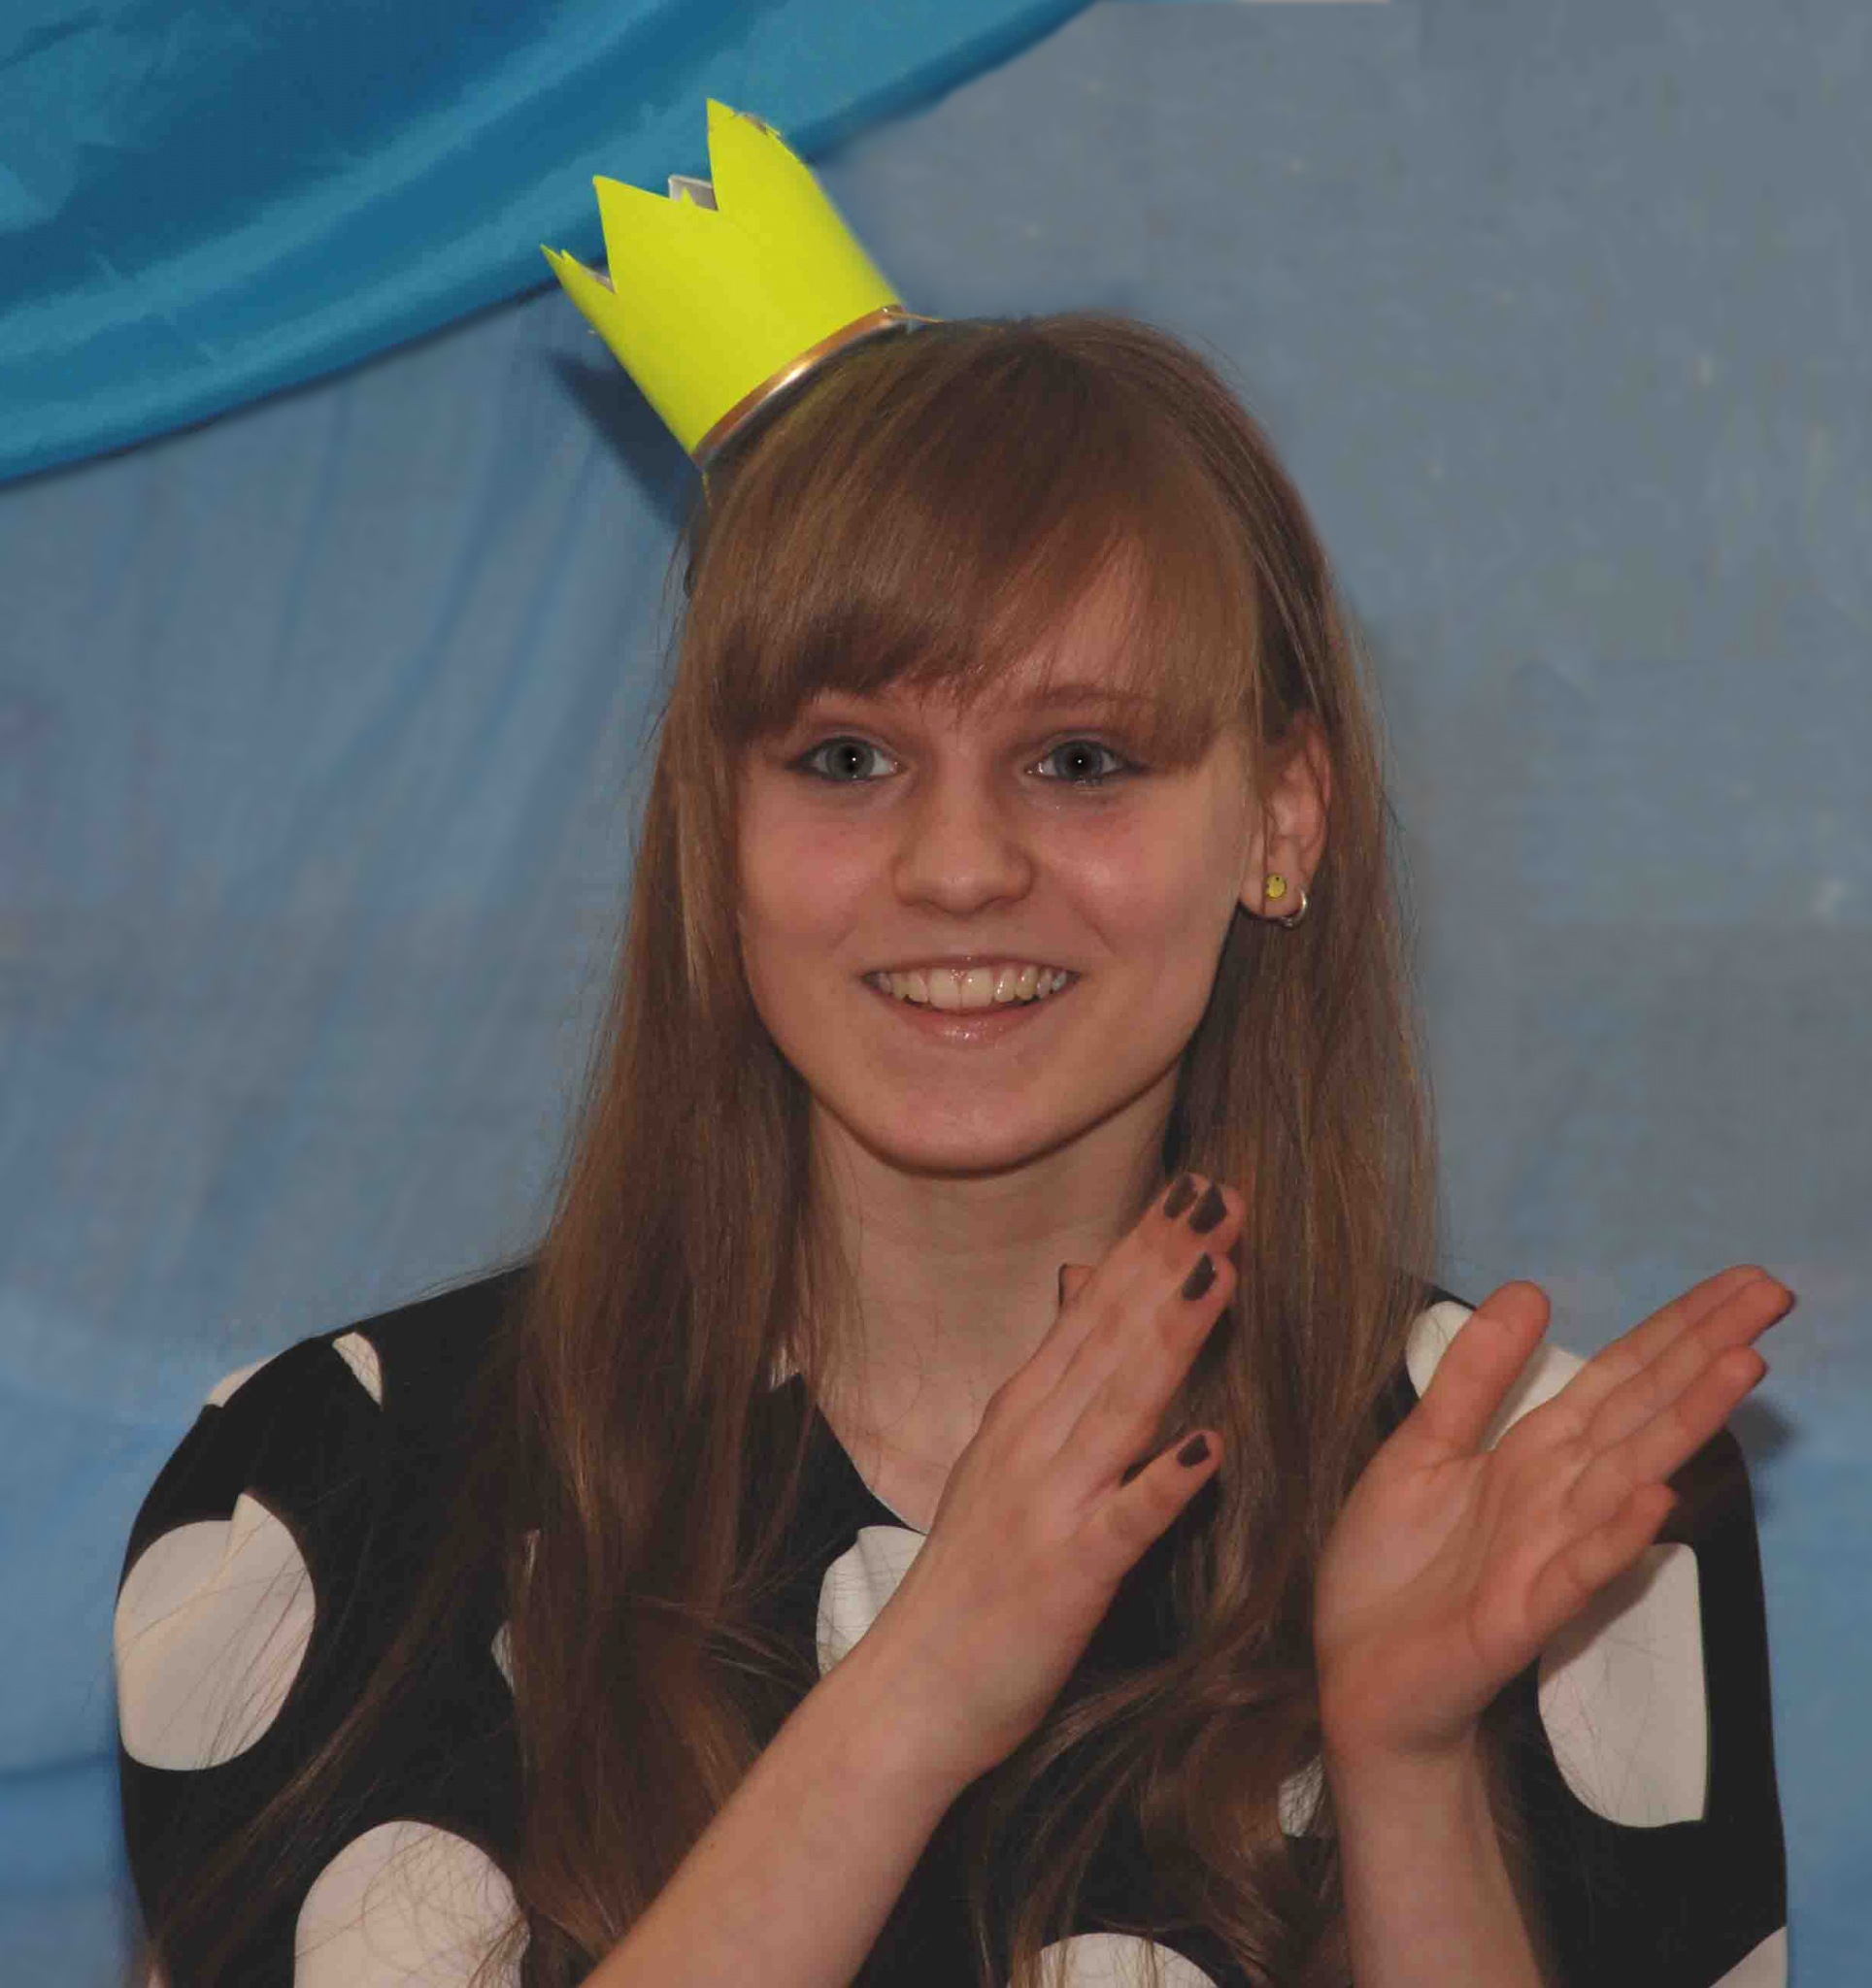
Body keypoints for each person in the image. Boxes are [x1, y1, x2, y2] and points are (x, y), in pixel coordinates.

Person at [115, 101, 1791, 1988]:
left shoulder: (1538, 1500)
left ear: (1283, 818)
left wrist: (1409, 1773)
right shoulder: (337, 1489)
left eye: (1080, 758)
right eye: (848, 757)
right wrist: (918, 1690)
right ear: (716, 829)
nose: (961, 866)